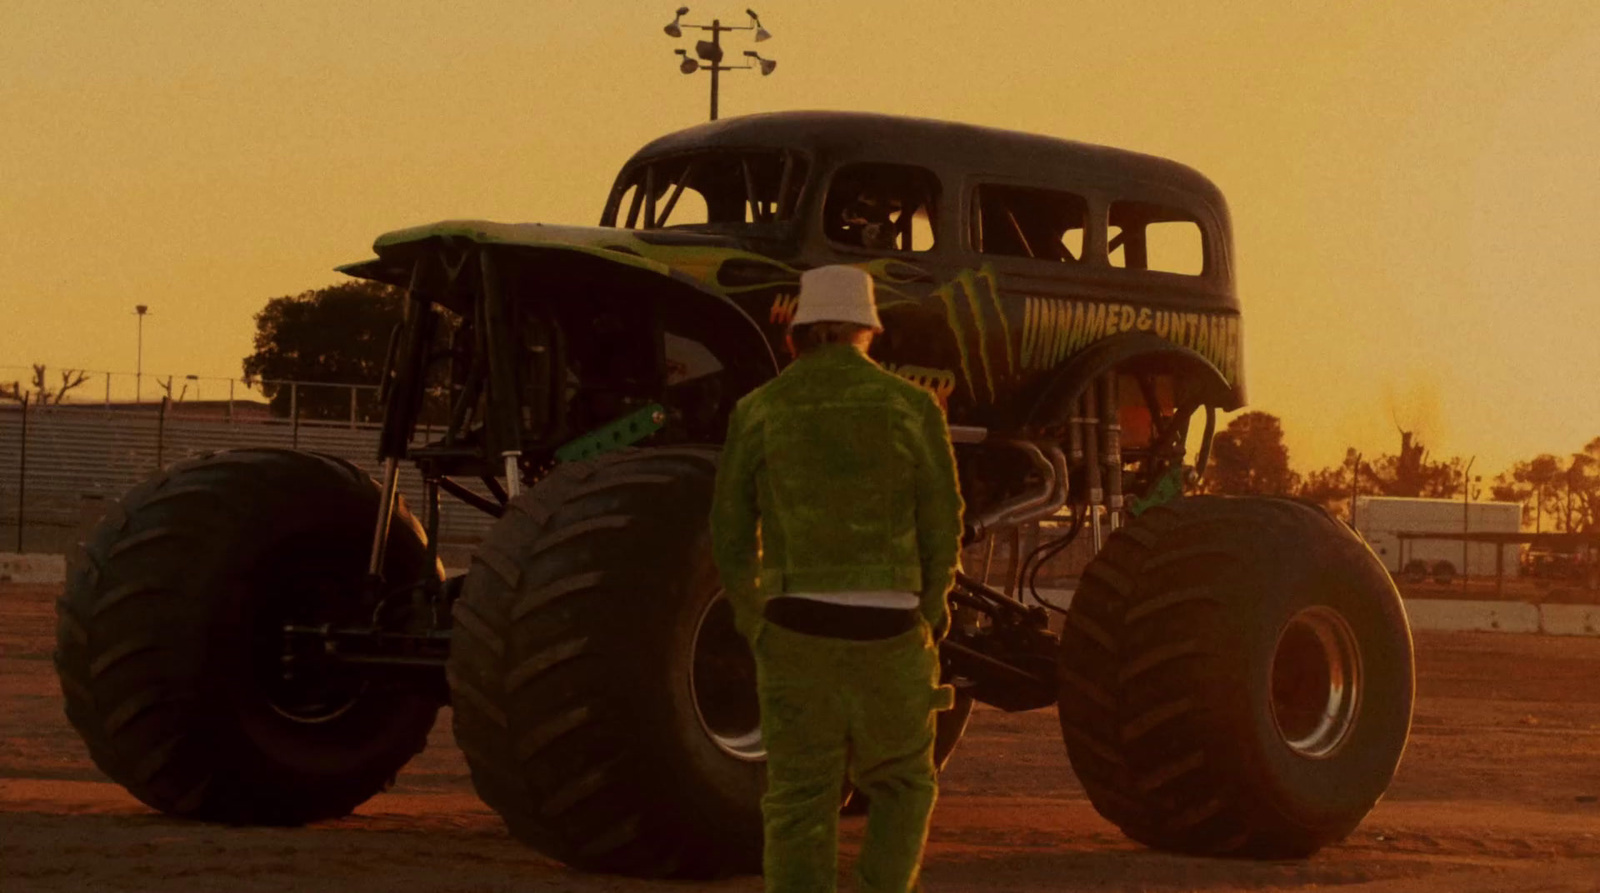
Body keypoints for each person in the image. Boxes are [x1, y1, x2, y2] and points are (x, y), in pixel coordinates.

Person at [711, 264, 964, 893]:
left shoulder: (758, 409)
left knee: (800, 800)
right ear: (867, 331)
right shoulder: (912, 408)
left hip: (795, 628)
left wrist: (753, 618)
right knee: (904, 786)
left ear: (797, 333)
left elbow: (730, 531)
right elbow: (943, 523)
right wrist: (929, 613)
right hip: (891, 630)